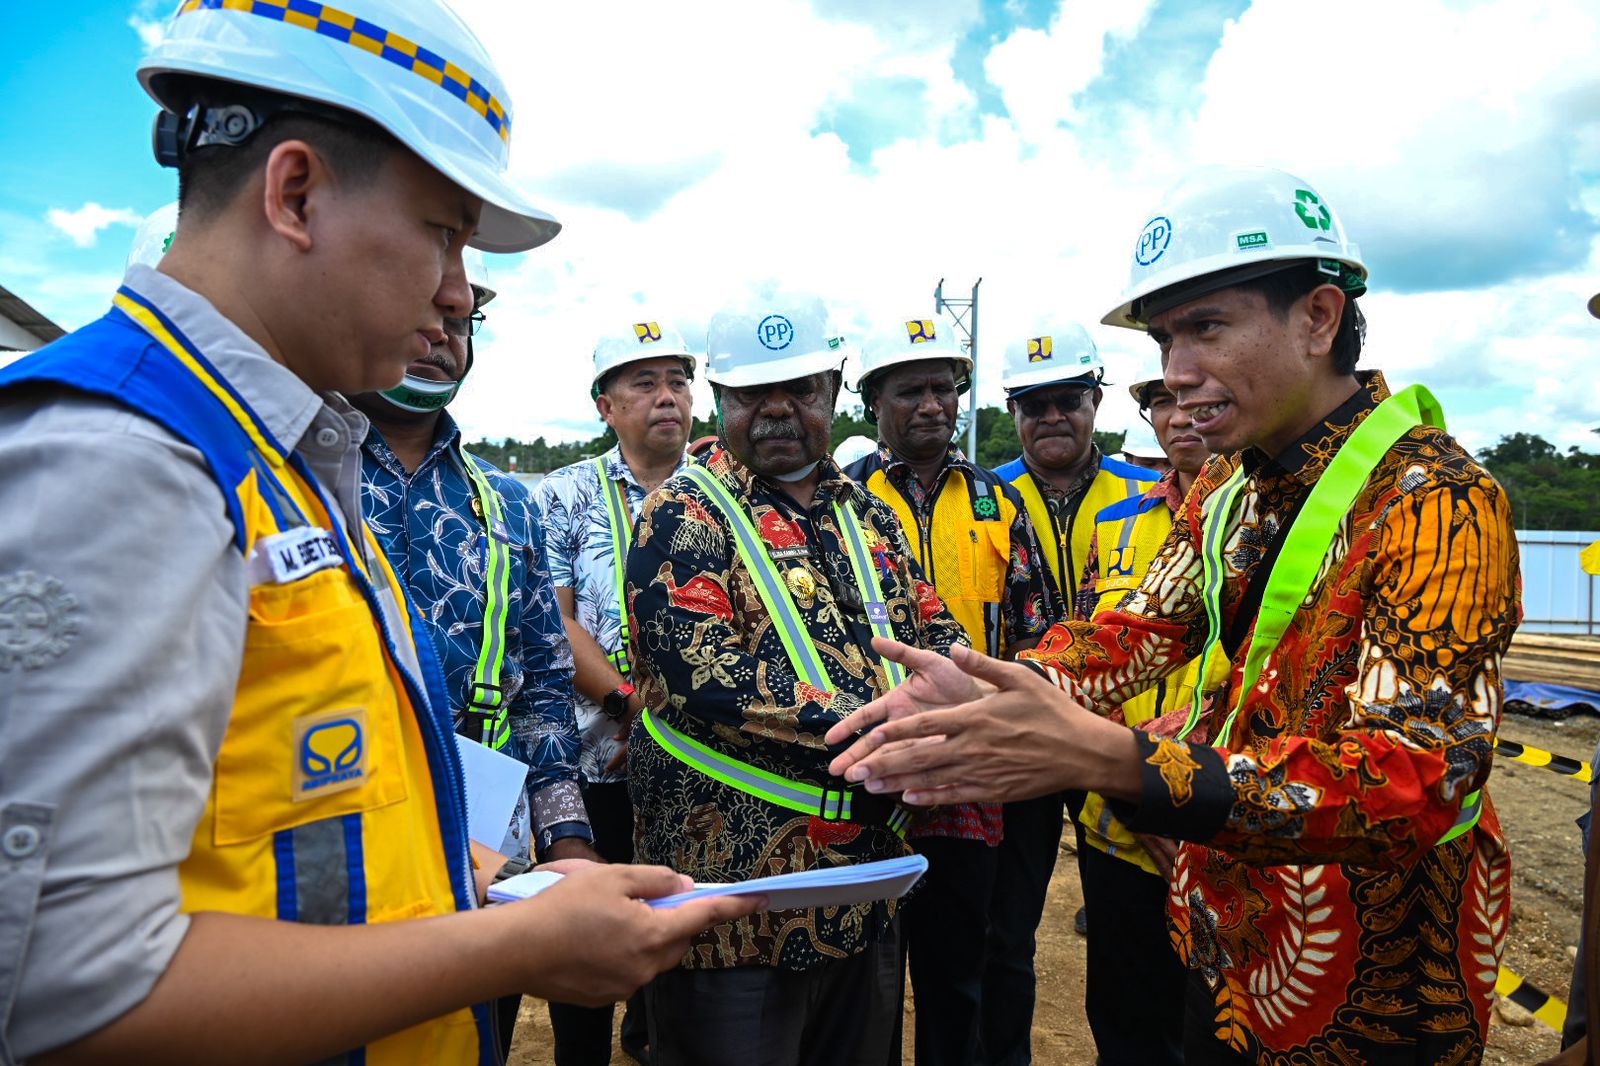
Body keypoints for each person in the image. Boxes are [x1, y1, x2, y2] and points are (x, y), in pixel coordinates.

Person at [0, 4, 756, 1063]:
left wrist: (496, 883)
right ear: (295, 193)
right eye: (444, 232)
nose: (457, 294)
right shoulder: (118, 462)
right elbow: (59, 988)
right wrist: (513, 948)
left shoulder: (292, 454)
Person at [827, 165, 1520, 1065]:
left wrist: (1106, 754)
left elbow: (1415, 778)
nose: (1176, 376)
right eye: (1162, 341)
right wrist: (1004, 687)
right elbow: (1137, 627)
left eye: (1206, 329)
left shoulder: (1439, 500)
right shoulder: (1235, 484)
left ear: (1317, 318)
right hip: (1228, 941)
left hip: (1372, 985)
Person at [626, 291, 967, 1066]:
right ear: (721, 398)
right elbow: (700, 676)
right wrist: (893, 726)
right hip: (734, 898)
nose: (778, 411)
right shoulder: (682, 514)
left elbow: (934, 630)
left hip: (863, 886)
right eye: (754, 394)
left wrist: (963, 695)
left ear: (836, 389)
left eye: (801, 390)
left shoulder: (870, 518)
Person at [348, 257, 600, 1058]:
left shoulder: (507, 503)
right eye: (422, 308)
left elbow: (545, 690)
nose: (442, 333)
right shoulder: (296, 475)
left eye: (460, 320)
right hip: (341, 843)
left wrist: (567, 841)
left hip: (490, 856)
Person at [842, 317, 1059, 1066]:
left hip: (975, 770)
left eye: (944, 388)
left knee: (961, 967)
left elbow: (1036, 629)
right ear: (874, 401)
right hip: (873, 761)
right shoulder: (843, 506)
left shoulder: (999, 504)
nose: (932, 404)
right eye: (911, 390)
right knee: (865, 969)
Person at [534, 319, 700, 1066]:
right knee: (589, 939)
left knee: (685, 933)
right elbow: (558, 622)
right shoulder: (565, 493)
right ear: (605, 405)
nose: (667, 397)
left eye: (677, 381)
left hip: (705, 771)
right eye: (644, 383)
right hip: (600, 759)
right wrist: (634, 706)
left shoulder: (724, 490)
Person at [990, 323, 1159, 1052]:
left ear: (1097, 399)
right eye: (1034, 405)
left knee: (1131, 928)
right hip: (1021, 734)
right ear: (1014, 412)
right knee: (1006, 928)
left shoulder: (1151, 494)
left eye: (1067, 400)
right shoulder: (986, 497)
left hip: (1118, 735)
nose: (1052, 416)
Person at [1070, 362, 1211, 1066]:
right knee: (1125, 1021)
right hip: (1120, 816)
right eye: (1163, 401)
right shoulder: (1117, 523)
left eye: (1191, 399)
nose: (1180, 414)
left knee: (1212, 1026)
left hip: (1221, 822)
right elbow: (1103, 646)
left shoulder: (1276, 519)